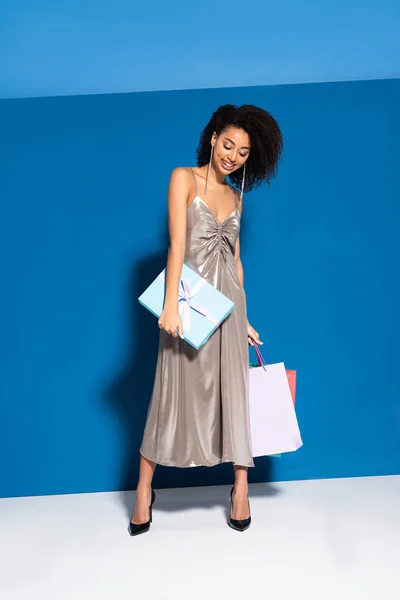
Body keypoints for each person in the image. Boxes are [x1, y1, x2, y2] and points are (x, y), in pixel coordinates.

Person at [128, 103, 283, 535]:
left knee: (234, 396)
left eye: (243, 152)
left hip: (229, 310)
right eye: (228, 144)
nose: (232, 155)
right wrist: (171, 306)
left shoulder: (237, 196)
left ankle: (239, 489)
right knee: (171, 394)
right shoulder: (183, 177)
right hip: (191, 306)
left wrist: (246, 318)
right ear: (213, 137)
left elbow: (236, 263)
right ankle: (144, 491)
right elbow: (177, 245)